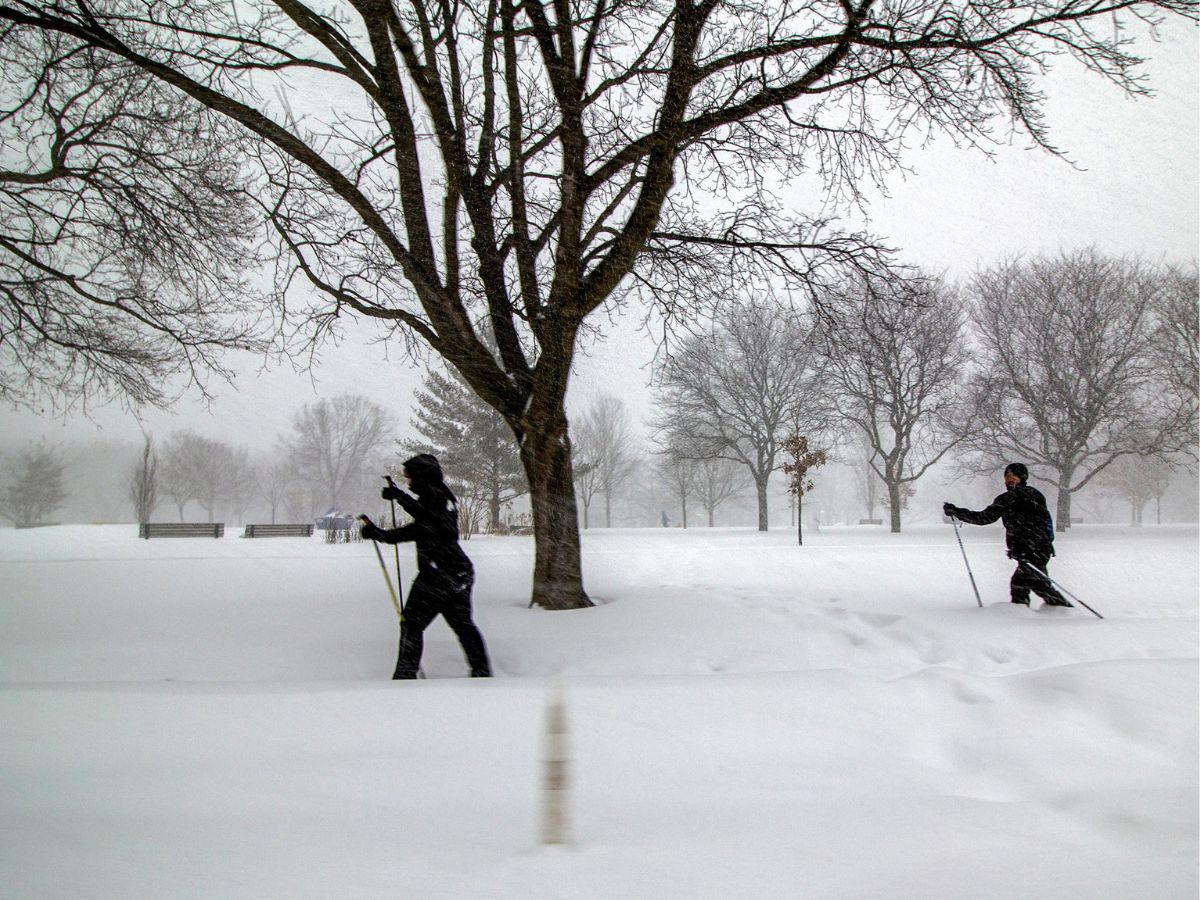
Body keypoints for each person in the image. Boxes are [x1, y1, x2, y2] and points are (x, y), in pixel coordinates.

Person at [360, 454, 493, 678]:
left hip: (439, 574)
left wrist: (383, 526)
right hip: (458, 573)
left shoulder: (437, 497)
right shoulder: (440, 496)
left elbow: (426, 525)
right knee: (463, 625)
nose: (408, 482)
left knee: (412, 623)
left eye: (410, 477)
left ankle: (405, 675)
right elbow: (425, 522)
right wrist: (396, 503)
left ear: (422, 475)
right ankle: (481, 671)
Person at [943, 462, 1072, 608]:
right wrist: (957, 512)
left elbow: (1038, 523)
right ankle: (1058, 610)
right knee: (1038, 584)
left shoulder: (1030, 495)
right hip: (1030, 550)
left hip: (1035, 549)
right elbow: (984, 518)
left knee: (1020, 584)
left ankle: (1022, 614)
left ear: (1022, 477)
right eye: (1007, 476)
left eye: (1014, 475)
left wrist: (1028, 547)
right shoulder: (1007, 498)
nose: (1010, 478)